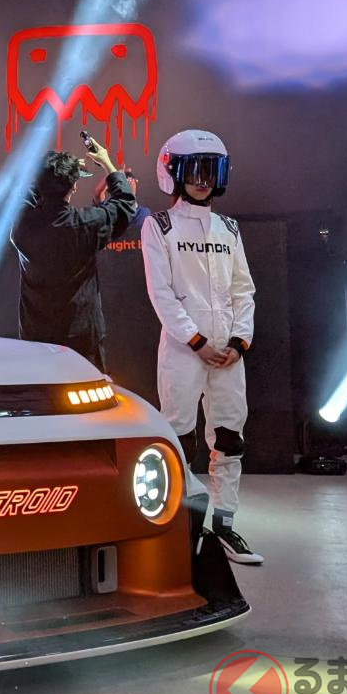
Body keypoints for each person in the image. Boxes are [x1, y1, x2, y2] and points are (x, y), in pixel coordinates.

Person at [141, 129, 260, 565]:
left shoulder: (229, 228)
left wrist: (238, 343)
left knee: (229, 437)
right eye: (194, 170)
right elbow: (162, 294)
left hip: (228, 355)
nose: (203, 179)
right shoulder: (159, 227)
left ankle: (224, 526)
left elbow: (243, 290)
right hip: (183, 352)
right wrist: (196, 341)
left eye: (211, 170)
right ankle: (183, 528)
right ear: (174, 173)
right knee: (179, 437)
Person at [9, 137, 138, 371]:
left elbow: (25, 193)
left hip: (35, 339)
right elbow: (125, 204)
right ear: (74, 187)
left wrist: (53, 170)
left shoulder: (22, 225)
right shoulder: (85, 224)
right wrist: (107, 162)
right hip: (81, 341)